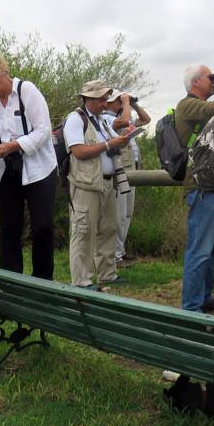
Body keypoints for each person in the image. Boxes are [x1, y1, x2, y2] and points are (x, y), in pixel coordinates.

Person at [0, 48, 58, 280]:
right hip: (5, 171)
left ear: (3, 71)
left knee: (42, 227)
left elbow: (43, 131)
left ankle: (43, 282)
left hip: (39, 170)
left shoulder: (27, 91)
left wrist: (13, 145)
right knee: (9, 228)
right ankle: (11, 282)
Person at [65, 80, 135, 290]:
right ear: (89, 99)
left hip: (107, 183)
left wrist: (123, 139)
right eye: (102, 99)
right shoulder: (75, 119)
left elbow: (113, 143)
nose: (106, 103)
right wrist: (108, 144)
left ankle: (107, 274)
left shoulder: (102, 121)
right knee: (83, 232)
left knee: (108, 229)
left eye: (106, 99)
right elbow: (78, 151)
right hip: (85, 185)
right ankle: (82, 281)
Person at [176, 65, 214, 314]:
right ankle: (191, 307)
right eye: (209, 78)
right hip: (200, 186)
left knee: (210, 249)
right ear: (195, 82)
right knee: (200, 249)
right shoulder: (187, 105)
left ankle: (204, 298)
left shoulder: (201, 107)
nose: (213, 82)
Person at [103, 90, 151, 267]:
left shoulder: (122, 116)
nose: (121, 103)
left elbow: (146, 120)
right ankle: (115, 256)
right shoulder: (106, 119)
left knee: (128, 213)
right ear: (109, 102)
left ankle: (120, 250)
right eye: (118, 101)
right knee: (119, 214)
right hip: (120, 169)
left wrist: (134, 104)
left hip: (132, 167)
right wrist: (125, 103)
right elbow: (123, 122)